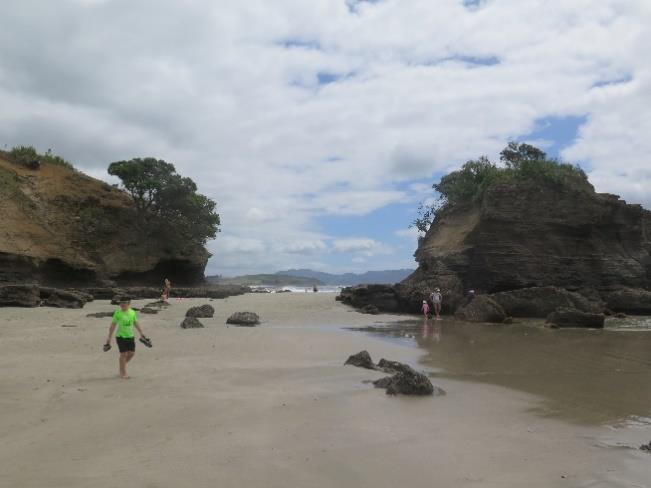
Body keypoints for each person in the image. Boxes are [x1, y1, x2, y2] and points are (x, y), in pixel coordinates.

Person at [104, 298, 149, 379]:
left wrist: (141, 332)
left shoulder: (132, 312)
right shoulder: (118, 313)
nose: (122, 305)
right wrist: (109, 337)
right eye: (121, 303)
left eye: (124, 303)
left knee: (131, 353)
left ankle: (122, 367)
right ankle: (123, 372)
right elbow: (113, 325)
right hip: (120, 336)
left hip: (130, 336)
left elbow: (135, 322)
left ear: (128, 303)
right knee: (123, 354)